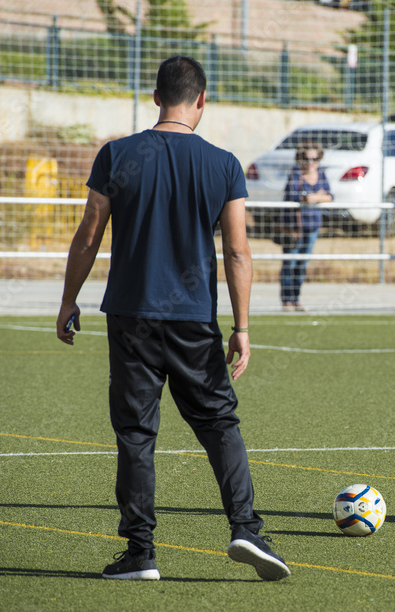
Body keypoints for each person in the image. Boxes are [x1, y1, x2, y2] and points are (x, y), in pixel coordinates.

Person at [55, 55, 290, 582]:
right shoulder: (223, 164)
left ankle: (141, 555)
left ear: (156, 96)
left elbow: (89, 233)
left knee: (137, 433)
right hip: (192, 320)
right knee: (219, 424)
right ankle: (245, 529)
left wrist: (68, 300)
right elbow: (237, 252)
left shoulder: (117, 154)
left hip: (130, 316)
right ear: (201, 101)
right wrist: (243, 327)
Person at [280, 144, 332, 311]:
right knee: (290, 263)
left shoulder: (322, 175)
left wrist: (316, 197)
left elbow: (330, 196)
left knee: (302, 264)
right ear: (300, 159)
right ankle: (286, 300)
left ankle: (296, 298)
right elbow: (291, 195)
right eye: (306, 159)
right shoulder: (295, 175)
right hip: (294, 228)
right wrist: (311, 197)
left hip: (312, 226)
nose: (310, 163)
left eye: (314, 159)